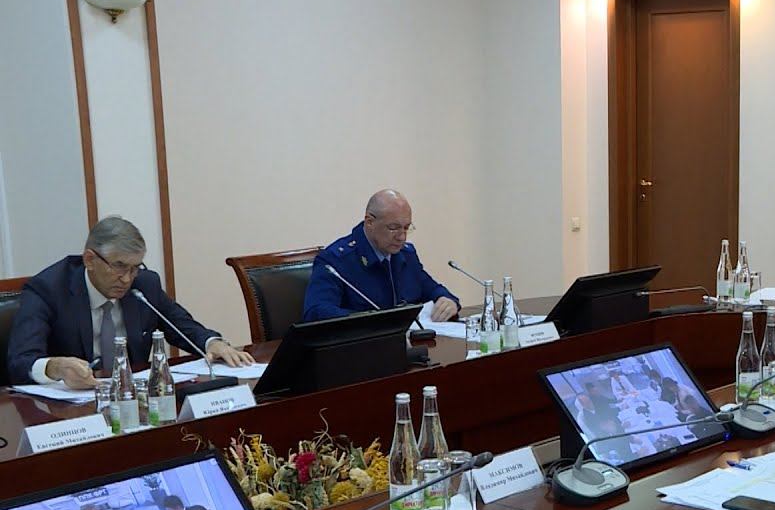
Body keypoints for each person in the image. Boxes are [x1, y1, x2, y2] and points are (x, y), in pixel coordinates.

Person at [6, 216, 253, 389]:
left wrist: (213, 343)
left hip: (134, 400)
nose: (126, 279)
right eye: (119, 266)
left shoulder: (144, 285)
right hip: (73, 412)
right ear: (90, 259)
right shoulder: (48, 289)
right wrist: (56, 367)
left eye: (135, 268)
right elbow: (20, 361)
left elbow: (181, 326)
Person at [302, 189, 460, 322]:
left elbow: (433, 289)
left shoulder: (405, 254)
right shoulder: (335, 261)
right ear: (369, 222)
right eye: (393, 228)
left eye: (406, 228)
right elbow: (316, 312)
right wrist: (371, 323)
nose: (402, 237)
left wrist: (447, 301)